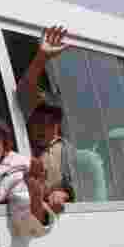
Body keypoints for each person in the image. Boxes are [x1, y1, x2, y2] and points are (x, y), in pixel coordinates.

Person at [15, 25, 76, 214]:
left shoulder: (67, 151)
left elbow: (72, 186)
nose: (41, 129)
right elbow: (24, 90)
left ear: (58, 126)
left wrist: (61, 194)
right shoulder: (19, 146)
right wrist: (41, 58)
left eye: (48, 124)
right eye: (37, 123)